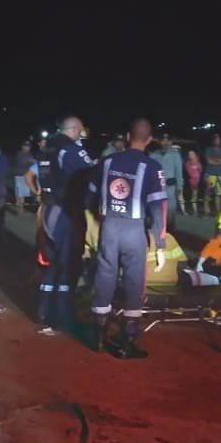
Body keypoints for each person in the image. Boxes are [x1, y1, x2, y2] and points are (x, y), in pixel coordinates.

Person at [88, 118, 167, 359]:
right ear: (150, 140)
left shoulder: (107, 161)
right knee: (134, 280)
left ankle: (99, 336)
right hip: (134, 230)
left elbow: (90, 194)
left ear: (127, 135)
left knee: (105, 275)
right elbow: (159, 206)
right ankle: (126, 342)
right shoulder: (152, 166)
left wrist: (99, 218)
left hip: (109, 226)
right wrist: (160, 242)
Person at [35, 116, 95, 334]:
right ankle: (61, 316)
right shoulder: (70, 150)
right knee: (68, 264)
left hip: (48, 210)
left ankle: (43, 311)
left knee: (51, 264)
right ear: (76, 129)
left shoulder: (47, 148)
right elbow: (90, 174)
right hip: (65, 212)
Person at [150, 133, 183, 230]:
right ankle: (157, 230)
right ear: (159, 141)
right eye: (163, 140)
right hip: (156, 187)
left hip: (170, 187)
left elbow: (179, 172)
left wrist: (179, 187)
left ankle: (170, 230)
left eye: (167, 140)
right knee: (156, 210)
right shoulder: (153, 155)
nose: (165, 142)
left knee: (171, 209)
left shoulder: (175, 155)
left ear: (170, 142)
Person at [202, 133, 221, 216]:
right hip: (209, 175)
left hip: (220, 175)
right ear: (213, 141)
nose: (218, 141)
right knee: (207, 194)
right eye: (216, 140)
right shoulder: (208, 149)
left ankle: (217, 212)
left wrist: (215, 160)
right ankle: (206, 212)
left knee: (218, 195)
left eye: (219, 140)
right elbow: (209, 161)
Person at [12, 140, 34, 213]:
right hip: (19, 177)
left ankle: (20, 209)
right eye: (25, 146)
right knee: (19, 194)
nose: (26, 147)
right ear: (22, 146)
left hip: (26, 177)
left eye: (28, 146)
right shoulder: (19, 154)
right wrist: (30, 161)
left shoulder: (30, 155)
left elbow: (32, 164)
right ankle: (19, 210)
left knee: (23, 194)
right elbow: (22, 162)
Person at [184, 149, 203, 215]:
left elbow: (201, 171)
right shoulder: (188, 163)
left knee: (198, 196)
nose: (191, 156)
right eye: (190, 154)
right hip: (192, 182)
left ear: (195, 154)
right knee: (194, 196)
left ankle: (198, 210)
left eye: (192, 154)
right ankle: (195, 211)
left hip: (200, 181)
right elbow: (189, 173)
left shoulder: (199, 161)